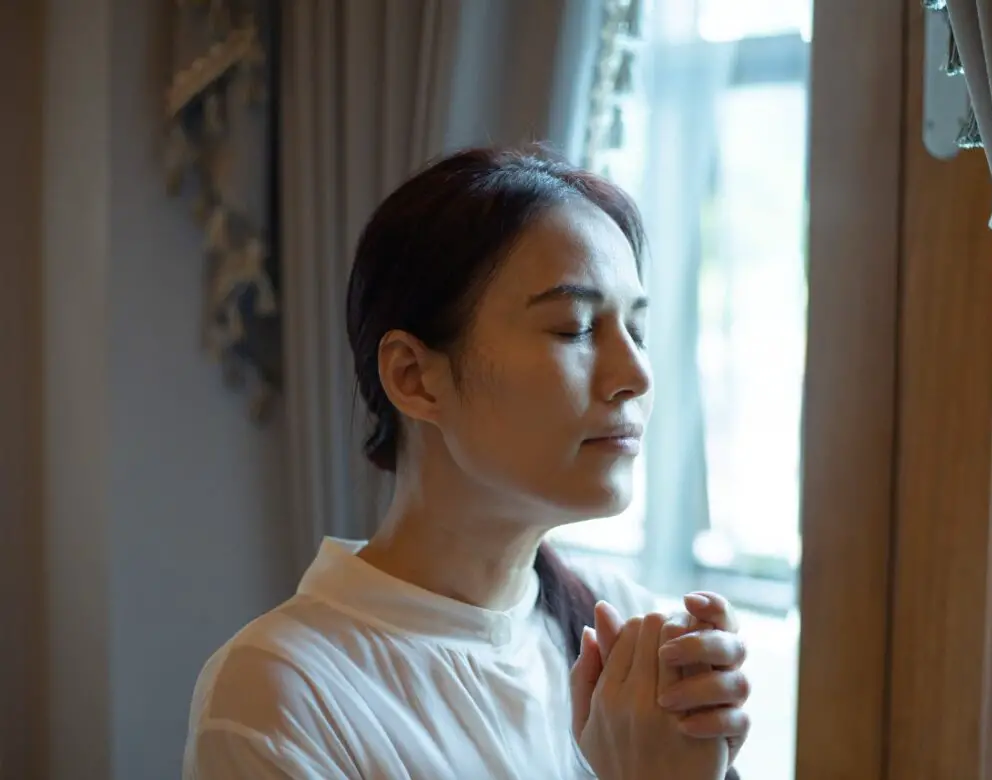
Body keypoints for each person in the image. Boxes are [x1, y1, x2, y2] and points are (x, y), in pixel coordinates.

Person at [182, 146, 752, 779]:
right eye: (574, 328)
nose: (636, 375)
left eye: (637, 332)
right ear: (414, 377)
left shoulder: (625, 631)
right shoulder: (279, 695)